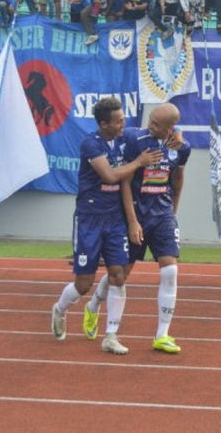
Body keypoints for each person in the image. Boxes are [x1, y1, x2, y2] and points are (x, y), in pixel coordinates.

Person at [51, 97, 164, 355]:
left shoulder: (125, 138)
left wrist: (175, 135)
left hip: (115, 220)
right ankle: (59, 309)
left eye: (124, 119)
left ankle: (111, 335)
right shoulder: (91, 144)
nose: (124, 123)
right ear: (104, 124)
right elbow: (110, 175)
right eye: (119, 121)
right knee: (84, 284)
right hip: (90, 219)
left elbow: (154, 132)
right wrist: (137, 163)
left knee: (118, 275)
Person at [94, 103, 191, 355]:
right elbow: (125, 181)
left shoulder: (182, 148)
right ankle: (94, 303)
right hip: (137, 215)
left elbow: (178, 179)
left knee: (170, 271)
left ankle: (162, 335)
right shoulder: (136, 139)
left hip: (163, 217)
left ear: (170, 128)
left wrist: (173, 211)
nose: (151, 125)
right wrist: (133, 221)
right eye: (151, 120)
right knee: (121, 273)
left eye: (157, 124)